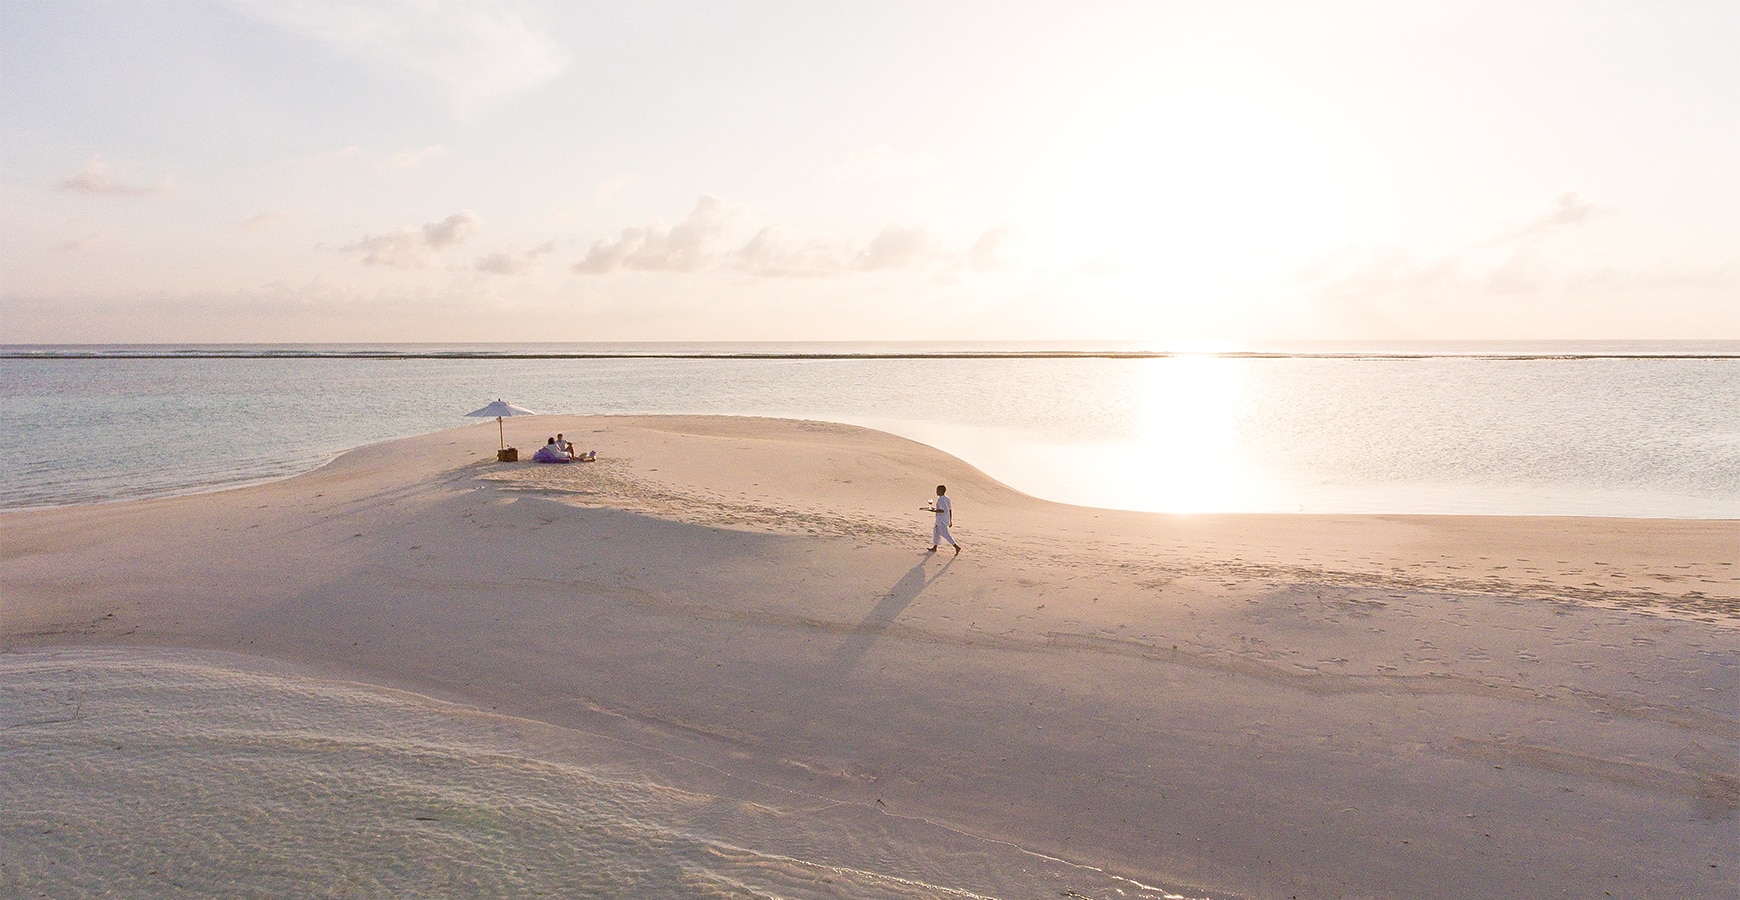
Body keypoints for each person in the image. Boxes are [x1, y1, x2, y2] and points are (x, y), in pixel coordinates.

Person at [924, 484, 961, 555]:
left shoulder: (941, 499)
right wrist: (950, 520)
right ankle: (935, 547)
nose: (936, 492)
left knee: (945, 534)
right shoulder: (947, 499)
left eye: (937, 490)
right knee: (936, 532)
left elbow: (942, 510)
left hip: (941, 520)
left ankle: (956, 547)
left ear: (941, 491)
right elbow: (950, 510)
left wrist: (933, 510)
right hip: (943, 519)